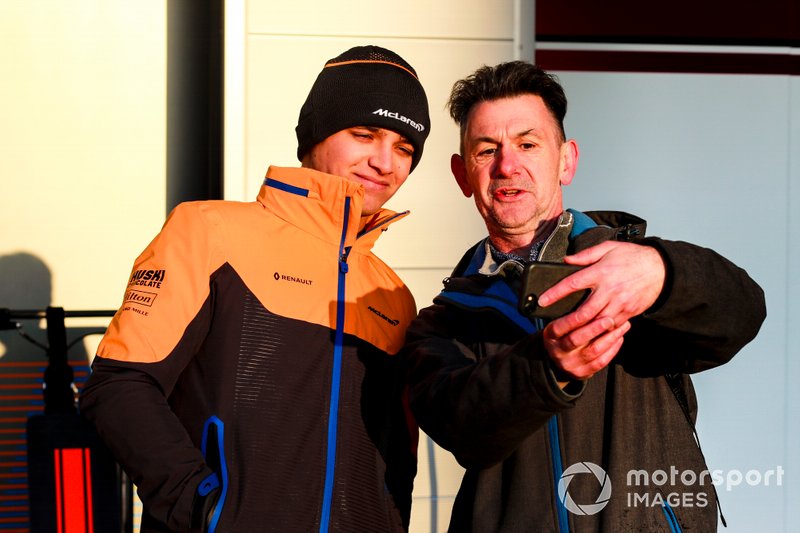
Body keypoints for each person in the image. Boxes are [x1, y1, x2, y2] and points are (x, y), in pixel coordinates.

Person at [403, 61, 766, 532]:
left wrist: (663, 273)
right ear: (462, 174)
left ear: (566, 160)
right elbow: (462, 428)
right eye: (486, 150)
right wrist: (547, 367)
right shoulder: (444, 322)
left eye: (528, 145)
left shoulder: (631, 265)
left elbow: (741, 314)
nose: (507, 165)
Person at [80, 45, 430, 532]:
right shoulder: (209, 232)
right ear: (315, 134)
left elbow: (398, 460)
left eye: (404, 148)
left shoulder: (393, 296)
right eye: (364, 134)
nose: (383, 161)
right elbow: (119, 387)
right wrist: (208, 511)